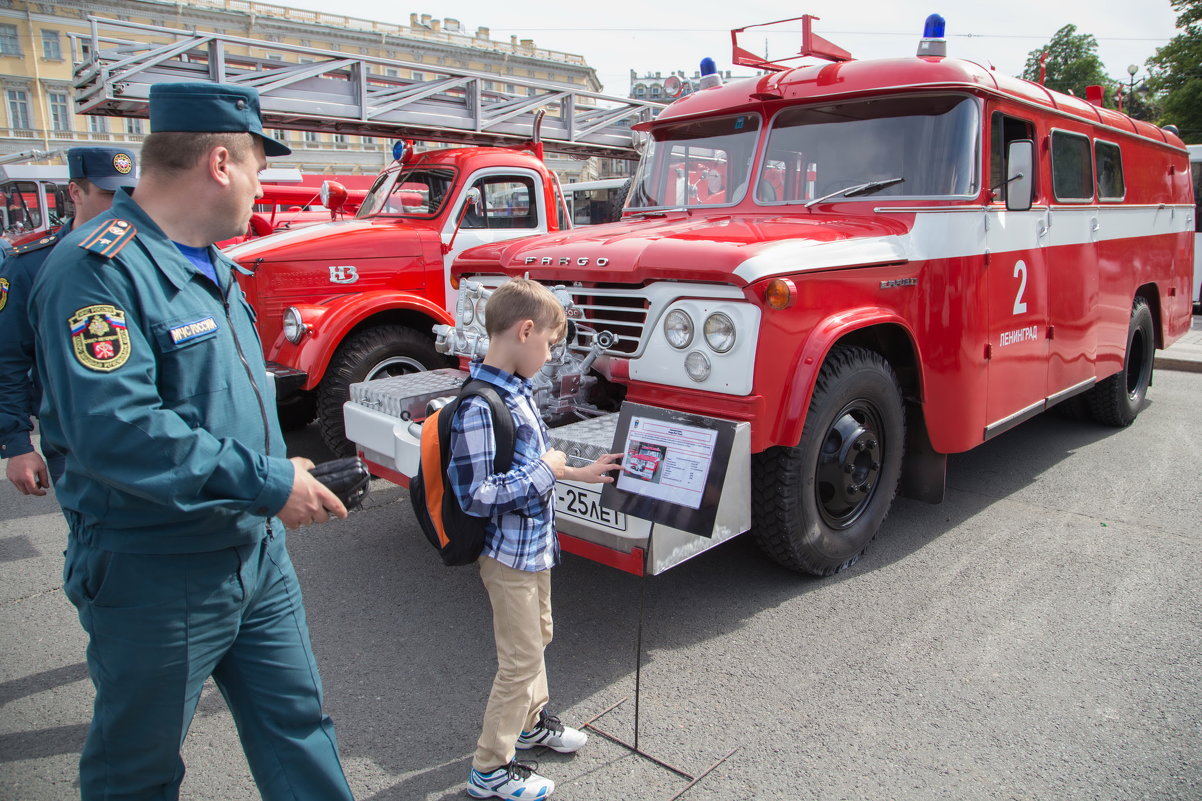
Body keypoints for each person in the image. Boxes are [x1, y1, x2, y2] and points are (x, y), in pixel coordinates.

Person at [27, 83, 355, 801]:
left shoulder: (213, 263)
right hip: (158, 571)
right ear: (220, 162)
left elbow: (222, 399)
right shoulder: (97, 269)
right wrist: (270, 482)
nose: (260, 187)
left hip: (255, 558)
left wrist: (278, 467)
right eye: (259, 170)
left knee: (299, 729)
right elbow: (117, 430)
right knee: (137, 771)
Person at [450, 277, 622, 800]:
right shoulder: (479, 406)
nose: (549, 356)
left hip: (533, 549)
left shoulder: (516, 393)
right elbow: (475, 495)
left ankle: (530, 726)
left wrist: (577, 471)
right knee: (519, 660)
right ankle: (489, 770)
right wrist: (549, 472)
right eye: (548, 344)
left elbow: (535, 464)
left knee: (539, 636)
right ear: (525, 331)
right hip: (506, 556)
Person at [0, 146, 138, 494]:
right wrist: (17, 445)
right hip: (75, 441)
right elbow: (8, 359)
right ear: (76, 192)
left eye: (129, 194)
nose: (121, 204)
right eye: (108, 194)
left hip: (149, 432)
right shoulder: (30, 265)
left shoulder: (149, 255)